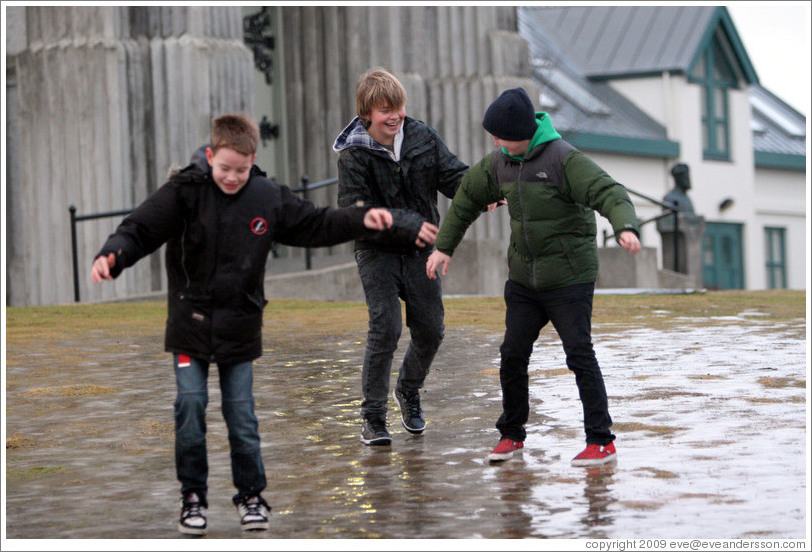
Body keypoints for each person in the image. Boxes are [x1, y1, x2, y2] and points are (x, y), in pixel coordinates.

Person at [90, 114, 396, 535]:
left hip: (240, 325)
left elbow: (315, 222)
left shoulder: (267, 196)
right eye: (225, 169)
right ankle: (192, 496)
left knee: (242, 416)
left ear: (254, 160)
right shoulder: (185, 190)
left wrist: (360, 218)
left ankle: (251, 495)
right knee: (191, 406)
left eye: (242, 169)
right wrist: (113, 255)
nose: (232, 178)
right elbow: (140, 228)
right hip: (190, 323)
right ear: (210, 156)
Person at [426, 87, 641, 467]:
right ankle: (511, 436)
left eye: (500, 134)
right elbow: (465, 200)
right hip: (525, 279)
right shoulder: (499, 162)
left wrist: (624, 226)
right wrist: (444, 246)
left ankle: (601, 440)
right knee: (511, 355)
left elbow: (609, 191)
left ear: (521, 132)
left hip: (569, 278)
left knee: (579, 355)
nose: (494, 140)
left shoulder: (564, 160)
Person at [333, 67, 469, 446]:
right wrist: (409, 224)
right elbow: (357, 212)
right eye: (384, 110)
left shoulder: (422, 136)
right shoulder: (352, 155)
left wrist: (485, 190)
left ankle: (408, 390)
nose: (394, 116)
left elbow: (454, 176)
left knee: (430, 328)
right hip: (376, 251)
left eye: (398, 107)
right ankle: (373, 418)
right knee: (387, 327)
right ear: (367, 116)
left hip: (420, 250)